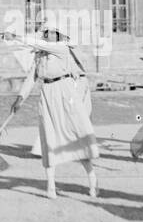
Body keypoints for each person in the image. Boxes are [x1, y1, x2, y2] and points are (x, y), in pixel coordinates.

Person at [17, 28, 99, 199]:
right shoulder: (40, 55)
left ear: (59, 35)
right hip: (47, 93)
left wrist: (15, 37)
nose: (50, 35)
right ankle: (51, 187)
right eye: (47, 33)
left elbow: (39, 44)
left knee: (75, 135)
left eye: (54, 33)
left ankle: (92, 180)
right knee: (49, 137)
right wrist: (20, 98)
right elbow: (32, 77)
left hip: (65, 91)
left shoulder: (62, 48)